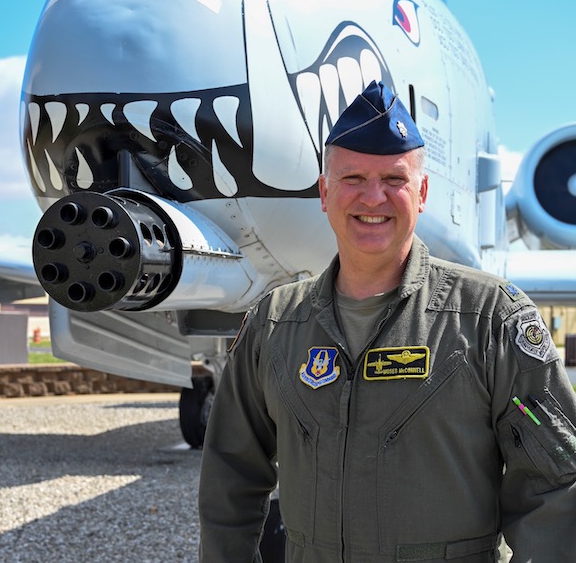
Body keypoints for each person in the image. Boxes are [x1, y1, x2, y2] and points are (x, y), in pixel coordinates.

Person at [198, 80, 576, 562]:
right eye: (353, 178)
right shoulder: (274, 325)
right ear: (325, 192)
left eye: (394, 180)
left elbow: (555, 486)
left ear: (421, 193)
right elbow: (230, 475)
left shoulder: (489, 320)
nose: (373, 198)